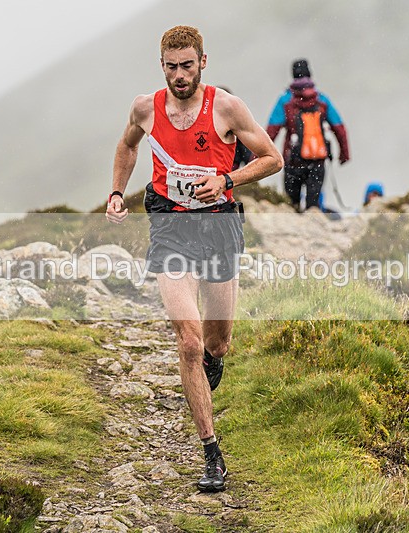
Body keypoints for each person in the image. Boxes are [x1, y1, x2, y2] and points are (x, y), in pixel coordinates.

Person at [106, 25, 282, 492]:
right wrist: (118, 192)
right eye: (171, 67)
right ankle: (211, 453)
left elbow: (273, 158)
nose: (180, 75)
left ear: (203, 62)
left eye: (188, 65)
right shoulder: (145, 108)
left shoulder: (225, 106)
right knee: (188, 340)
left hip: (220, 225)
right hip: (170, 226)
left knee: (216, 343)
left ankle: (210, 366)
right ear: (160, 66)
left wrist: (226, 180)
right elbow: (127, 145)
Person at [266, 59, 350, 212]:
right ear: (310, 74)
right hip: (317, 160)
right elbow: (339, 128)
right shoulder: (321, 100)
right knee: (313, 206)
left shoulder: (285, 101)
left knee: (292, 205)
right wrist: (344, 154)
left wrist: (261, 157)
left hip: (293, 160)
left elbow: (271, 131)